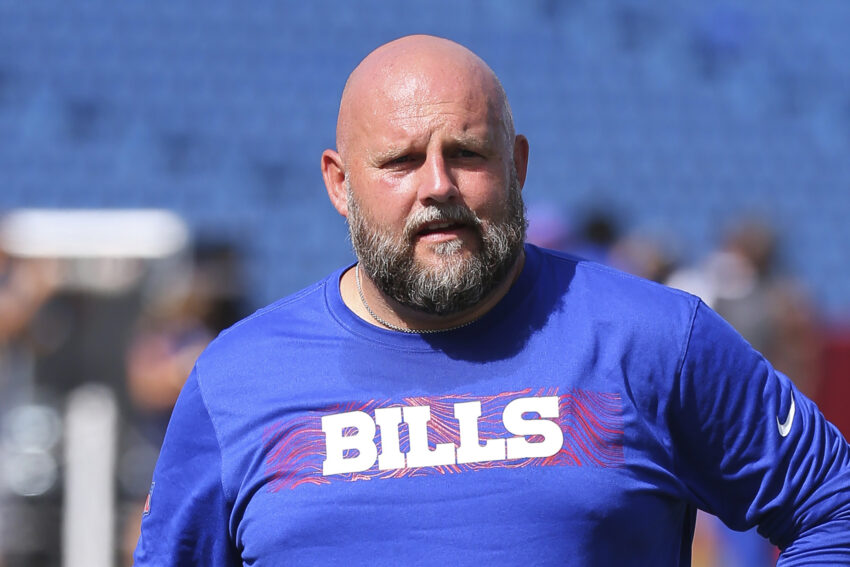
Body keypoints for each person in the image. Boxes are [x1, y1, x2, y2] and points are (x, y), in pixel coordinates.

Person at [134, 35, 850, 566]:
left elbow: (833, 505)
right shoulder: (236, 379)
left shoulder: (653, 338)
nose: (437, 186)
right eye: (401, 161)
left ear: (518, 165)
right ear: (340, 183)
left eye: (468, 154)